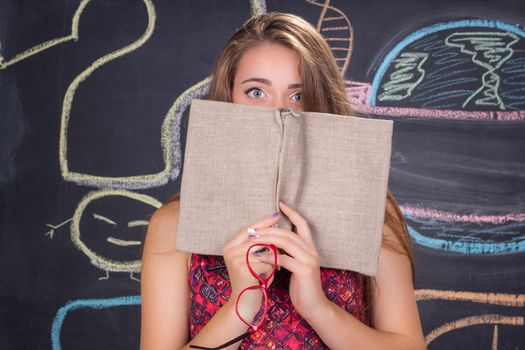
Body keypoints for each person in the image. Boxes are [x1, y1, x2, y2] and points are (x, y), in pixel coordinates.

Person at [140, 12, 426, 350]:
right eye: (256, 92)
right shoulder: (173, 225)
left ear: (321, 104)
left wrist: (318, 308)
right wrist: (242, 305)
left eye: (298, 95)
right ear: (228, 97)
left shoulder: (371, 216)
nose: (278, 113)